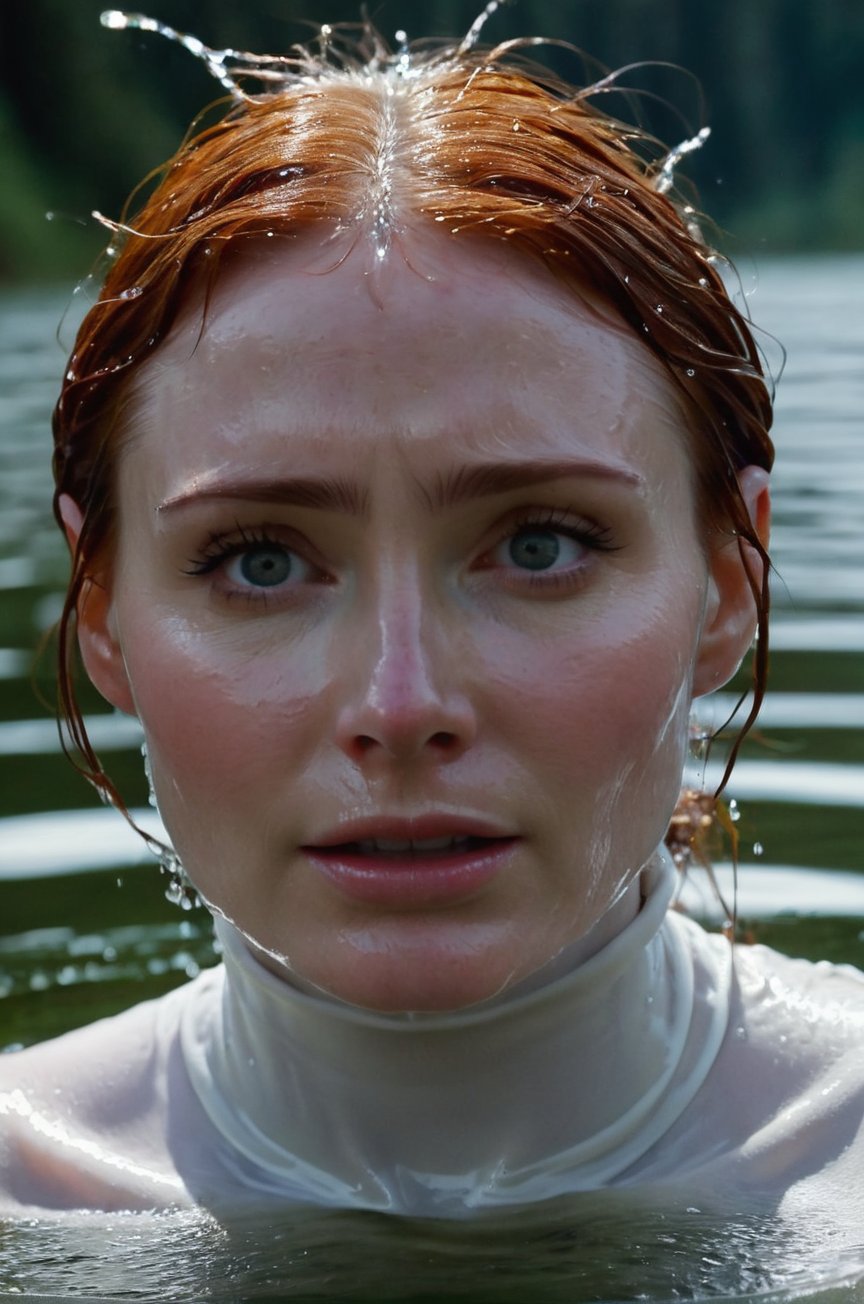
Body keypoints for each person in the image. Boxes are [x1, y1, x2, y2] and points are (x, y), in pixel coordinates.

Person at [0, 12, 861, 1228]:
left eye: (539, 546)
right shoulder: (22, 1195)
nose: (399, 706)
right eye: (258, 560)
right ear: (105, 615)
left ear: (731, 580)